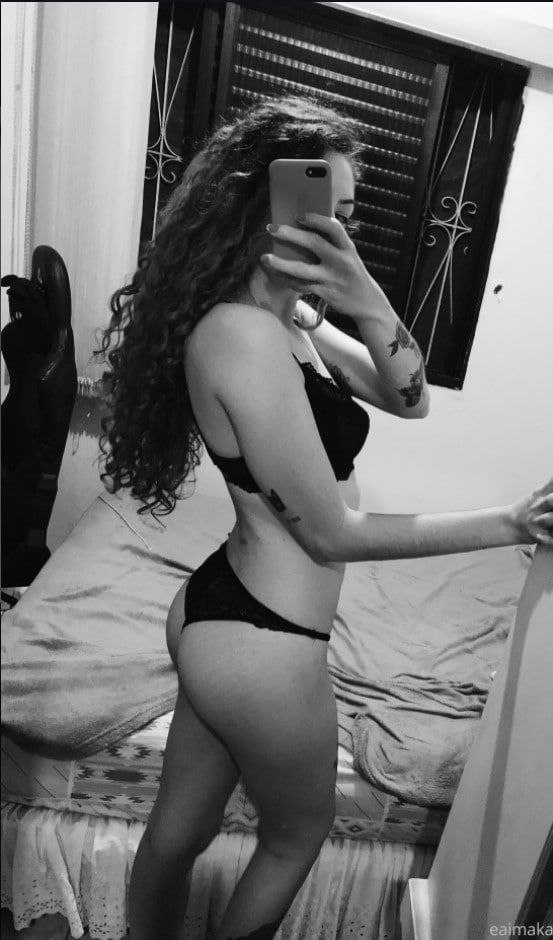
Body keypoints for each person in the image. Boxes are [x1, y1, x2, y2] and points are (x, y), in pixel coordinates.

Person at [97, 96, 552, 940]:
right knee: (295, 836)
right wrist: (511, 522)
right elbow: (332, 533)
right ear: (256, 205)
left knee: (180, 831)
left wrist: (364, 294)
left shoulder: (288, 318)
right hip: (263, 638)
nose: (335, 230)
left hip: (229, 617)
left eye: (344, 214)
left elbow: (405, 398)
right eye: (318, 209)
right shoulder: (241, 333)